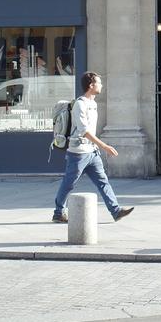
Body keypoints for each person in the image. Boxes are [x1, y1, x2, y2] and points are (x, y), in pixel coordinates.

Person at [52, 72, 134, 223]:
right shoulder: (80, 104)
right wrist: (104, 146)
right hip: (78, 153)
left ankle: (116, 211)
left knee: (103, 182)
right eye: (99, 82)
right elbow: (84, 131)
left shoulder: (93, 104)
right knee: (69, 184)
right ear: (91, 85)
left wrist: (97, 148)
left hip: (92, 153)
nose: (101, 85)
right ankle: (58, 212)